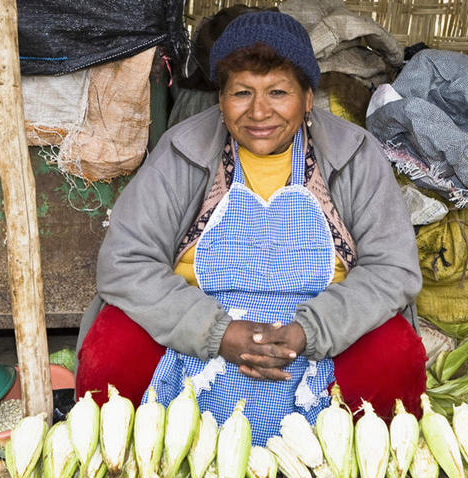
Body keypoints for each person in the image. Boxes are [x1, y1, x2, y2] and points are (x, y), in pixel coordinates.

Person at [74, 11, 426, 446]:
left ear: (308, 97)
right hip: (193, 326)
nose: (260, 112)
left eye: (278, 92)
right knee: (111, 349)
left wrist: (310, 331)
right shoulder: (182, 151)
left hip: (324, 327)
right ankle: (128, 464)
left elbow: (393, 270)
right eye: (242, 92)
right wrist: (216, 332)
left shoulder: (354, 154)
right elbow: (124, 263)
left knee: (395, 356)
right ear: (220, 99)